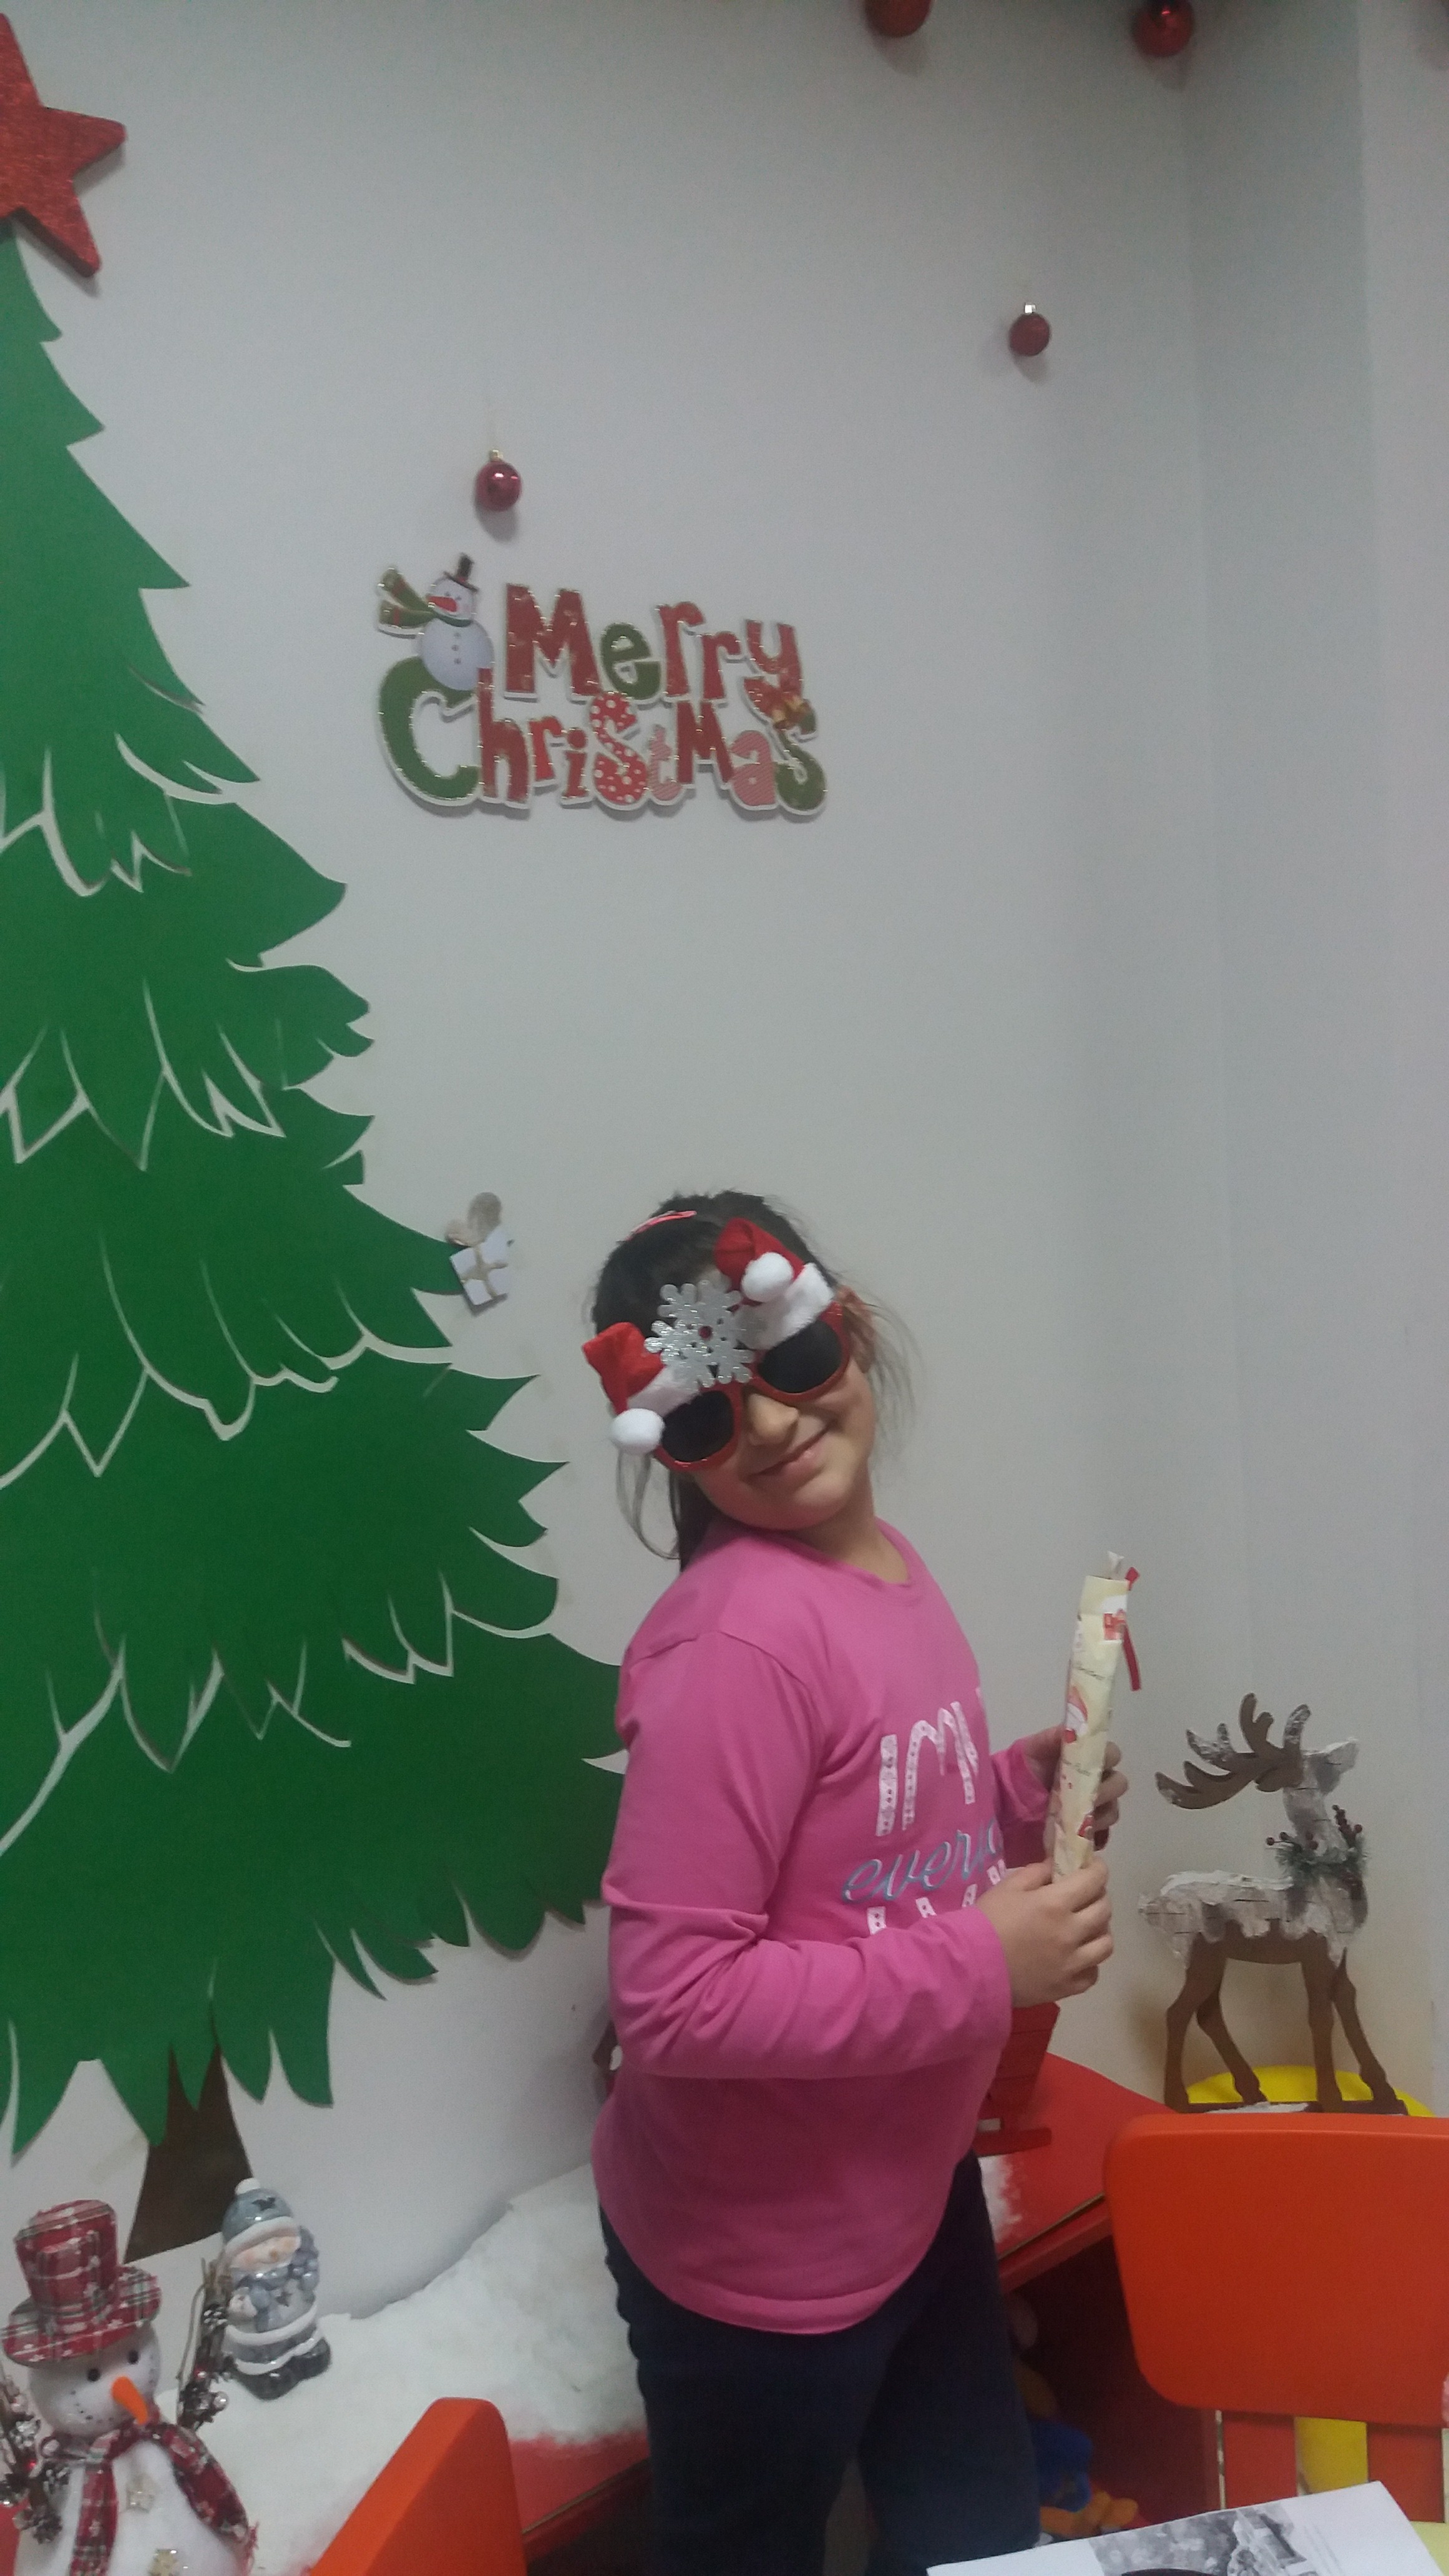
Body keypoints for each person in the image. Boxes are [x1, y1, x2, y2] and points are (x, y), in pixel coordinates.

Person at [582, 1193, 1127, 2576]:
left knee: (978, 2533)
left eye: (792, 1360)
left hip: (912, 2189)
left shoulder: (887, 1570)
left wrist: (1013, 1800)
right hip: (757, 2265)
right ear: (670, 1450)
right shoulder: (733, 1649)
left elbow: (871, 1837)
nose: (771, 1425)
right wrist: (983, 1966)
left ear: (852, 1332)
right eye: (709, 1419)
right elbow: (672, 2002)